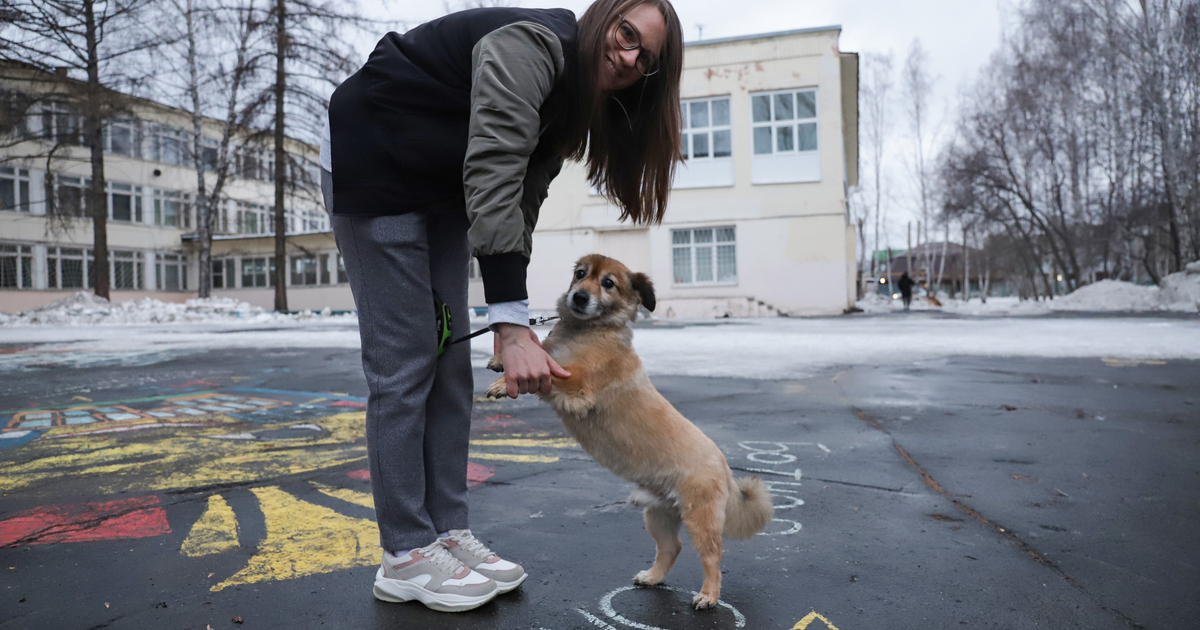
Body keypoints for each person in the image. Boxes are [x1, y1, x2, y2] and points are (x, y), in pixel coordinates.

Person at [319, 0, 684, 613]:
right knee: (406, 362)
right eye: (626, 35)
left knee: (447, 364)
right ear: (603, 18)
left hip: (438, 187)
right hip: (374, 159)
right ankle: (406, 553)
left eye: (644, 59)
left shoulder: (573, 104)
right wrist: (510, 318)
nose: (627, 58)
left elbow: (523, 195)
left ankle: (446, 530)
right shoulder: (535, 46)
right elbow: (494, 162)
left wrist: (506, 314)